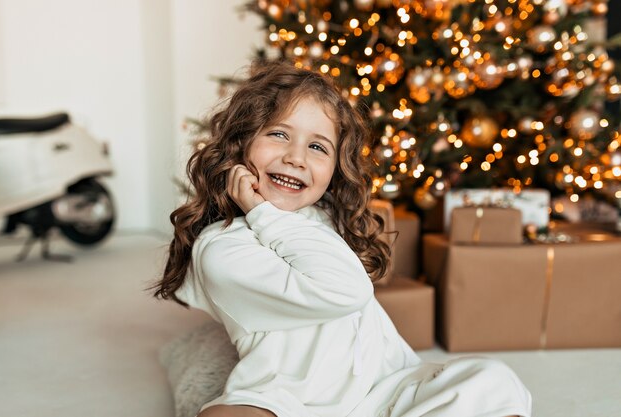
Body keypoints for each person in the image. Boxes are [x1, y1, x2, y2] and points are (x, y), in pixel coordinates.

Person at [153, 61, 532, 417]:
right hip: (290, 399)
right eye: (279, 134)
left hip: (386, 390)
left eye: (317, 147)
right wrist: (262, 213)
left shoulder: (323, 219)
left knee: (495, 381)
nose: (296, 158)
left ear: (334, 169)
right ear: (239, 146)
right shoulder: (221, 248)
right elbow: (346, 290)